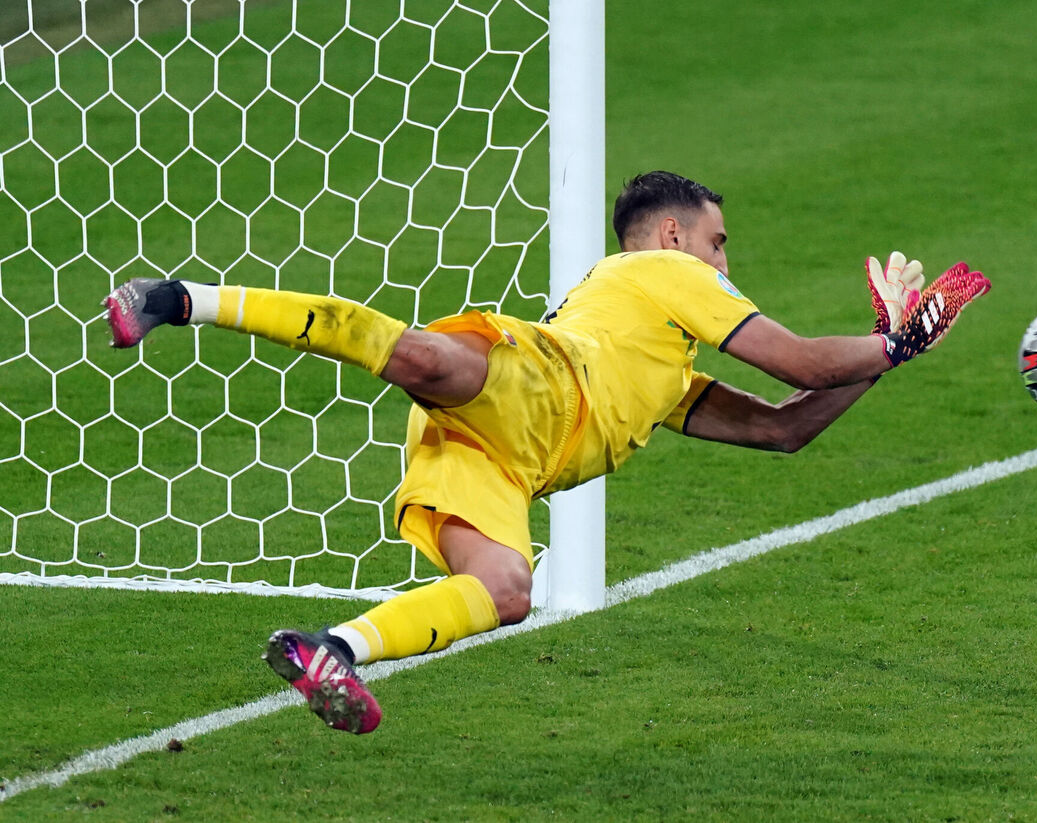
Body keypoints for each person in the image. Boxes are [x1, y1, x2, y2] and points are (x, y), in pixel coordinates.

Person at [104, 171, 990, 734]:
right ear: (675, 237)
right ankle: (179, 298)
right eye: (719, 241)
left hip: (501, 461)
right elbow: (798, 359)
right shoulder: (663, 273)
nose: (726, 260)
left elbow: (784, 424)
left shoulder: (661, 364)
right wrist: (901, 344)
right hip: (530, 380)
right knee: (413, 354)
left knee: (506, 592)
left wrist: (885, 351)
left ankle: (327, 646)